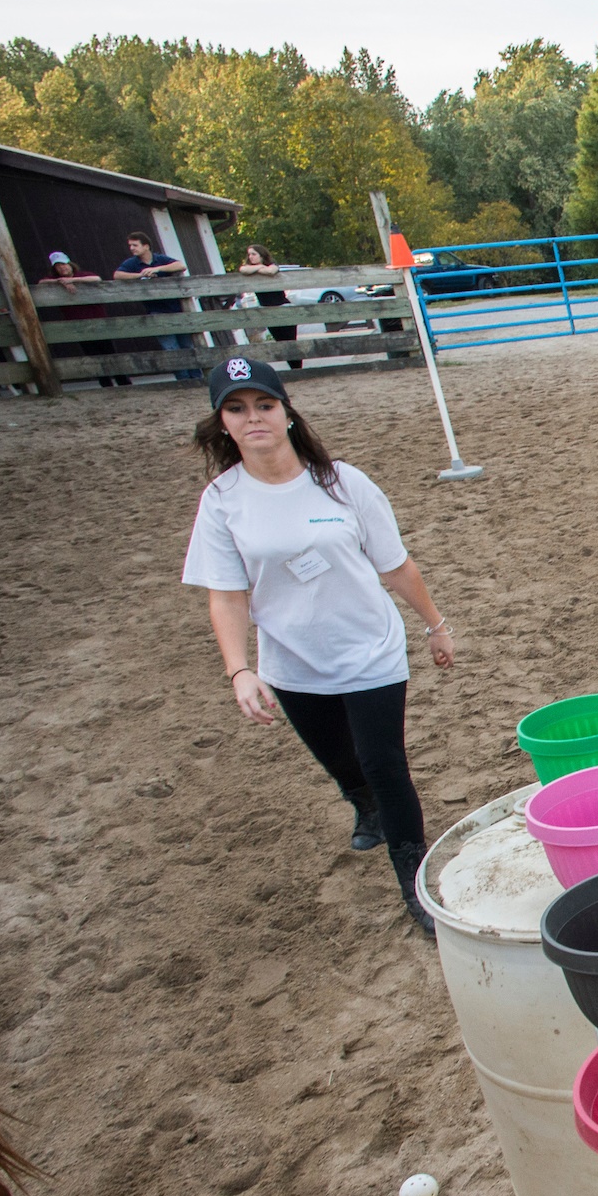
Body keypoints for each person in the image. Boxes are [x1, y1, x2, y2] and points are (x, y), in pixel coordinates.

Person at [179, 358, 458, 937]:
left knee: (386, 765)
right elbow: (226, 597)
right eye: (236, 408)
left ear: (287, 411)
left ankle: (414, 880)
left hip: (370, 650)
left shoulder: (340, 481)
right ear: (221, 422)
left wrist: (435, 625)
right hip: (293, 661)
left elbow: (395, 564)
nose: (252, 418)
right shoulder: (223, 500)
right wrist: (240, 671)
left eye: (264, 405)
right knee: (341, 760)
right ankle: (362, 802)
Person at [38, 251, 131, 387]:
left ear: (70, 264)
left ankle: (122, 381)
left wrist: (72, 280)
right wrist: (60, 282)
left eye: (64, 264)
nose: (62, 268)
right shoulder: (55, 281)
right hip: (77, 323)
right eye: (58, 266)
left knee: (109, 352)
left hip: (97, 320)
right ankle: (105, 383)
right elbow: (41, 283)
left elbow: (96, 279)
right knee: (92, 355)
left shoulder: (83, 275)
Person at [112, 231, 197, 378]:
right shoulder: (132, 263)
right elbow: (117, 275)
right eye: (130, 245)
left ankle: (196, 377)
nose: (132, 248)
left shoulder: (160, 259)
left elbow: (180, 265)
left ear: (146, 246)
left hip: (176, 309)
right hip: (157, 311)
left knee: (187, 346)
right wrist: (141, 275)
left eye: (135, 245)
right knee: (171, 348)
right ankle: (183, 379)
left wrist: (157, 269)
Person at [236, 243, 301, 371]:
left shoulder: (272, 265)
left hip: (282, 307)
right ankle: (294, 369)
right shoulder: (250, 270)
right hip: (268, 311)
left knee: (290, 341)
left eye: (254, 254)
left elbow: (271, 271)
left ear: (262, 255)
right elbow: (243, 269)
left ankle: (298, 369)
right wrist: (259, 267)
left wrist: (258, 268)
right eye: (249, 255)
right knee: (280, 343)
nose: (251, 257)